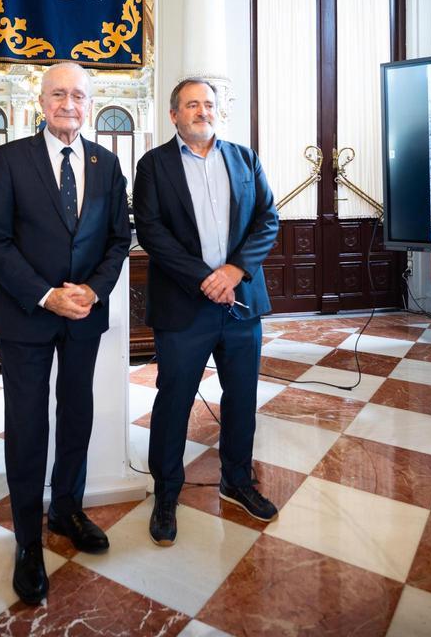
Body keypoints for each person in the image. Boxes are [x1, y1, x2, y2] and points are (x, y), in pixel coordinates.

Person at [0, 61, 131, 605]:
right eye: (59, 94)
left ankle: (66, 508)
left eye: (79, 95)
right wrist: (47, 294)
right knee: (25, 424)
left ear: (91, 103)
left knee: (76, 413)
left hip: (84, 315)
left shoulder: (108, 163)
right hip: (29, 315)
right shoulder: (10, 159)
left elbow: (119, 239)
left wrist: (91, 290)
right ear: (40, 102)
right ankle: (26, 539)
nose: (69, 104)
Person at [132, 78, 280, 546]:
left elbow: (267, 219)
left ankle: (236, 481)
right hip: (183, 305)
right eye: (191, 104)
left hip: (240, 303)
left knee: (241, 397)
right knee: (174, 400)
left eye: (209, 104)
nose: (202, 111)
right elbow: (153, 232)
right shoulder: (154, 165)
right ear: (173, 115)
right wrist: (205, 278)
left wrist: (234, 271)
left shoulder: (244, 158)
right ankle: (167, 492)